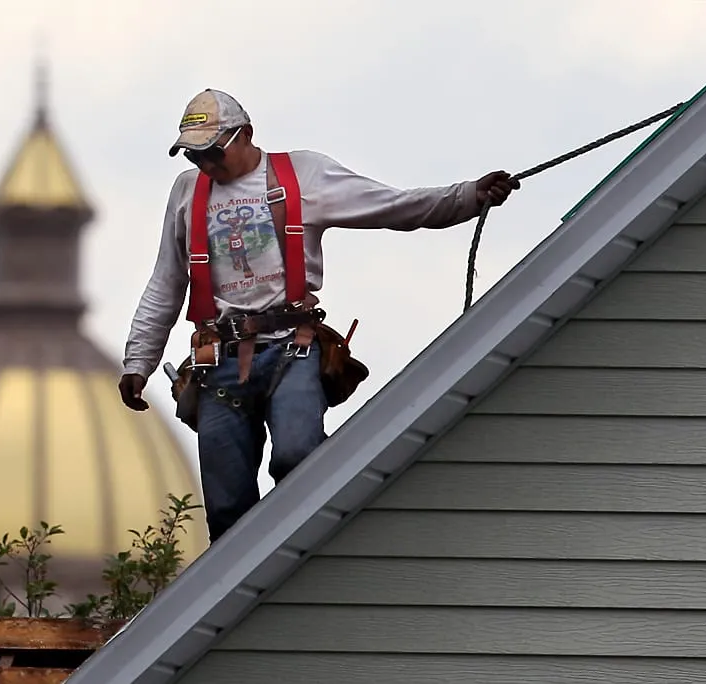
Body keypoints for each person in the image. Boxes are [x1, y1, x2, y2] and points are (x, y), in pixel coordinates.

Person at [118, 88, 518, 543]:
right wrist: (138, 361)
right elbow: (167, 281)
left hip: (292, 347)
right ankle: (243, 597)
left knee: (299, 456)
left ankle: (315, 558)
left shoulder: (302, 174)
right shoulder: (188, 193)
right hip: (220, 362)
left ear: (244, 134)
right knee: (227, 506)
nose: (205, 165)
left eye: (212, 152)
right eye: (195, 156)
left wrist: (468, 197)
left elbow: (392, 205)